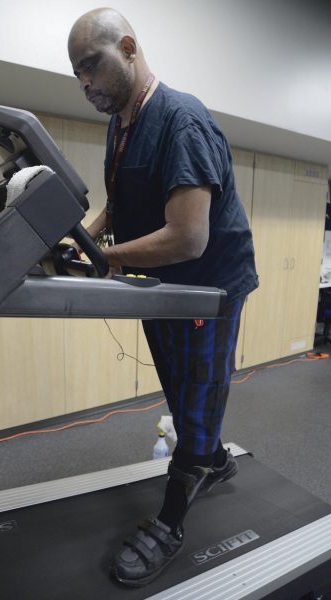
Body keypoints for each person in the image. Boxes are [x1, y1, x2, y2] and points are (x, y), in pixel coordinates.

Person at [68, 7, 258, 587]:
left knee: (197, 394)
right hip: (165, 284)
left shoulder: (182, 118)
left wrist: (110, 259)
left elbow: (189, 235)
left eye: (91, 66)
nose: (85, 84)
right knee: (179, 386)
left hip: (210, 286)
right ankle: (215, 458)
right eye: (77, 73)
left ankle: (172, 521)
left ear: (127, 47)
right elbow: (120, 203)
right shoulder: (121, 124)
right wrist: (87, 236)